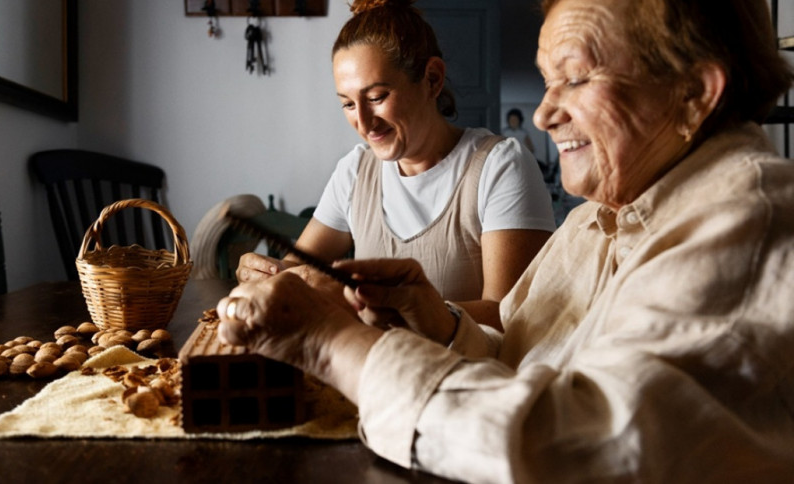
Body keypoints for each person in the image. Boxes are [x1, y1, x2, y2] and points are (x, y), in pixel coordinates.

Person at [216, 0, 794, 482]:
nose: (542, 114)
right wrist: (435, 318)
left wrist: (329, 343)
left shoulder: (745, 221)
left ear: (695, 92)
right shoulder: (599, 221)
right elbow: (518, 350)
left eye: (574, 78)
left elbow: (572, 447)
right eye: (547, 83)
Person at [235, 0, 555, 330]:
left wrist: (392, 309)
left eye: (376, 97)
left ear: (432, 79)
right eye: (347, 103)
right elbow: (293, 273)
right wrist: (265, 273)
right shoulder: (356, 171)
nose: (362, 122)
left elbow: (511, 318)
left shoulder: (500, 166)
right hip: (373, 376)